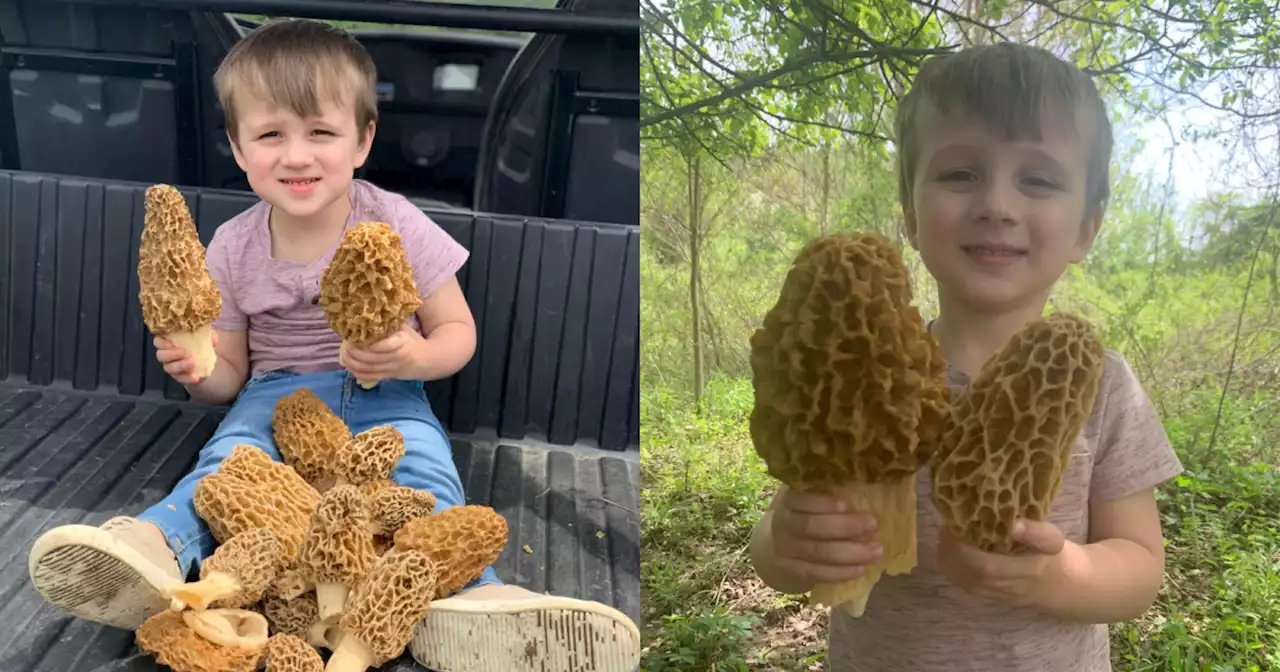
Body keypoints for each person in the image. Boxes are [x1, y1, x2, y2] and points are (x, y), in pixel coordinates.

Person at [26, 18, 639, 671]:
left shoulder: (396, 221)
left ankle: (477, 603)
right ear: (237, 147)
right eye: (270, 135)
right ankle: (152, 551)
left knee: (428, 485)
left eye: (320, 132)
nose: (296, 155)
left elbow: (458, 333)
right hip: (273, 394)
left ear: (361, 140)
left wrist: (414, 357)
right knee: (225, 468)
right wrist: (196, 370)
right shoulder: (232, 244)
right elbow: (227, 376)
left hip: (391, 395)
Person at [748, 43, 1183, 672]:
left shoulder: (1103, 386)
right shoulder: (874, 365)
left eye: (1037, 179)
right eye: (960, 174)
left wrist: (1062, 573)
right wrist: (783, 545)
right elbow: (783, 534)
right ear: (911, 216)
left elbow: (1141, 566)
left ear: (1087, 228)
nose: (997, 206)